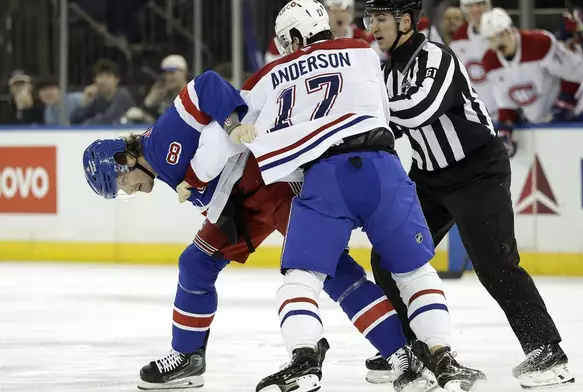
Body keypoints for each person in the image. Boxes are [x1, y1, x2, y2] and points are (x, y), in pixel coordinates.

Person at [82, 70, 437, 391]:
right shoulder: (157, 163)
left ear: (123, 160)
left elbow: (206, 84)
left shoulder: (161, 140)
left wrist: (232, 122)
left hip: (275, 185)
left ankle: (400, 352)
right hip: (242, 204)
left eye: (121, 184)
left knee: (335, 272)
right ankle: (188, 358)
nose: (127, 191)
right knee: (196, 263)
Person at [234, 1, 485, 391]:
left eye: (287, 40)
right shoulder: (361, 51)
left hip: (325, 178)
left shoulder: (272, 74)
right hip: (382, 168)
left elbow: (241, 119)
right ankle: (441, 356)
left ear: (296, 36)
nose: (285, 47)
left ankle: (303, 359)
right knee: (414, 274)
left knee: (301, 279)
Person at [362, 0, 575, 389]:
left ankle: (547, 351)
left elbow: (419, 108)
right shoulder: (384, 70)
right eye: (369, 18)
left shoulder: (436, 57)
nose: (371, 26)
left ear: (405, 21)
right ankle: (409, 348)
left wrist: (366, 111)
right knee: (388, 254)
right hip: (430, 176)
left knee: (494, 263)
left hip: (478, 170)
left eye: (380, 18)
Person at [480, 8, 583, 157]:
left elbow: (575, 72)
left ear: (511, 29)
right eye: (491, 38)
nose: (498, 42)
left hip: (569, 116)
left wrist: (564, 103)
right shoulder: (490, 61)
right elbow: (506, 102)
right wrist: (505, 130)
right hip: (536, 124)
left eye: (501, 35)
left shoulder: (539, 43)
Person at [450, 0, 498, 120]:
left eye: (479, 4)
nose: (476, 9)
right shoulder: (459, 36)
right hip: (475, 113)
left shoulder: (501, 31)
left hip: (503, 110)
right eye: (470, 5)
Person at [70, 59, 135, 125]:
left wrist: (87, 123)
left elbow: (109, 120)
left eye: (108, 76)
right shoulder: (99, 99)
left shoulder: (122, 95)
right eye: (100, 76)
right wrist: (86, 102)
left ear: (117, 79)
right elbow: (74, 119)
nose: (103, 81)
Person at [142, 54, 190, 121]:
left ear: (184, 73)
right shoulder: (164, 95)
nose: (167, 77)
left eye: (172, 73)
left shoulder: (193, 96)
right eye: (165, 73)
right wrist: (150, 102)